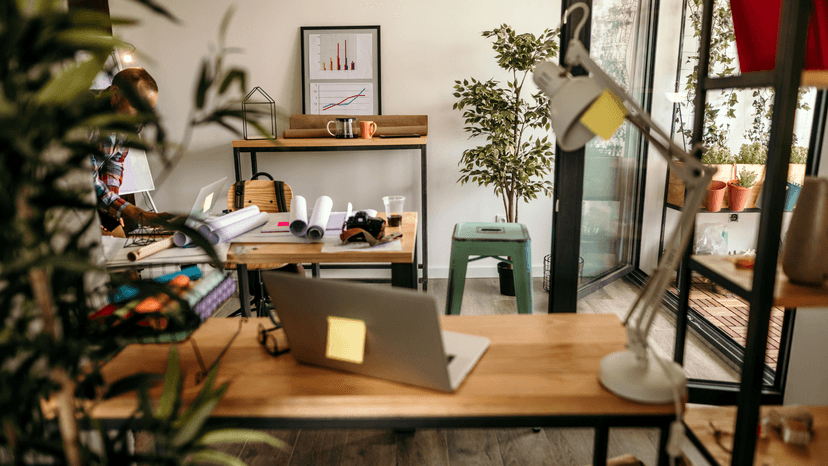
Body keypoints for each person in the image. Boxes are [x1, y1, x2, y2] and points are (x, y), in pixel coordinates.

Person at [92, 67, 174, 232]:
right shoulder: (86, 117)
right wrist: (133, 211)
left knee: (118, 238)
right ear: (115, 94)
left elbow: (114, 161)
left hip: (96, 195)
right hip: (65, 198)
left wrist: (113, 209)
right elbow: (87, 179)